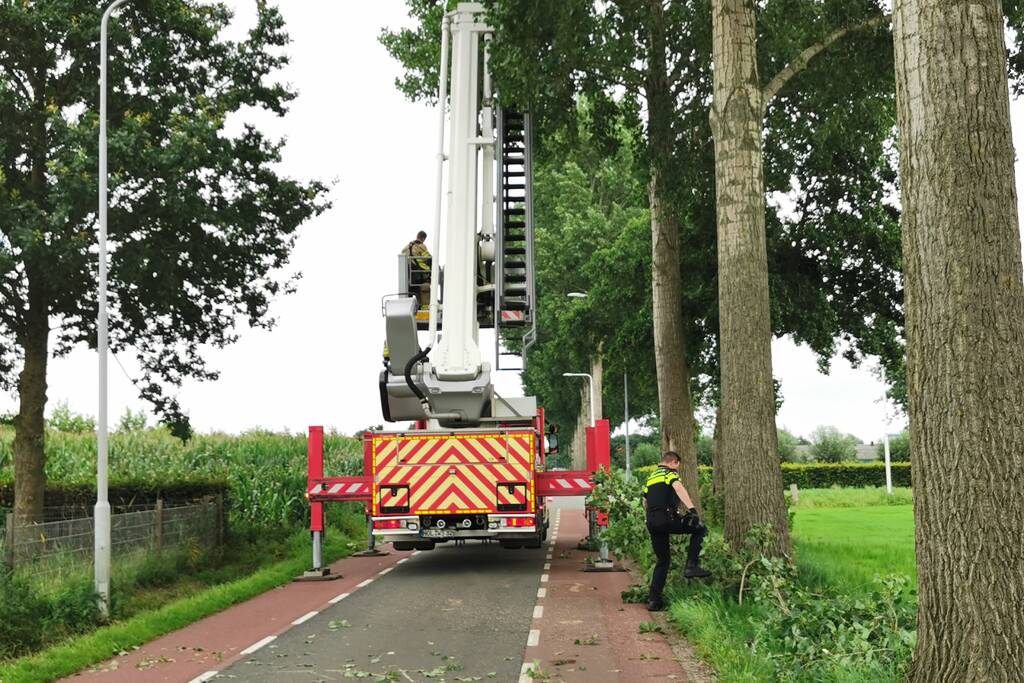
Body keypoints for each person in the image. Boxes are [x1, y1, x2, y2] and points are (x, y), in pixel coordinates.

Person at [643, 451, 710, 611]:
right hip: (667, 519)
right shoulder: (669, 474)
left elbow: (645, 502)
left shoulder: (651, 478)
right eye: (677, 466)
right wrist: (692, 510)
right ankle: (691, 566)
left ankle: (654, 601)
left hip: (652, 522)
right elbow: (678, 488)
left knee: (663, 561)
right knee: (700, 529)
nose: (677, 469)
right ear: (673, 462)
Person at [403, 230, 431, 309]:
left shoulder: (406, 248)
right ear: (423, 238)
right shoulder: (421, 246)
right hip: (421, 276)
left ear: (417, 236)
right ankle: (425, 309)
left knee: (411, 297)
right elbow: (429, 259)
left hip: (409, 278)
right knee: (425, 292)